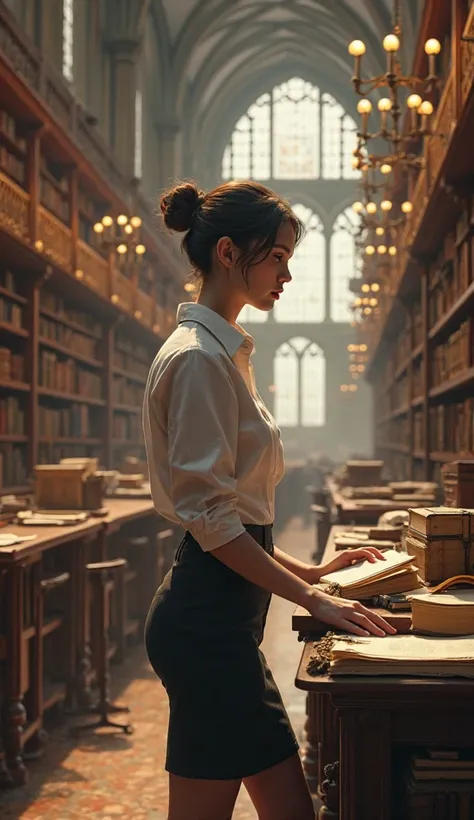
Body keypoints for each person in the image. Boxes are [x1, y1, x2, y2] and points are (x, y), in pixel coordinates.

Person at [143, 180, 396, 820]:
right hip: (209, 629)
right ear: (229, 253)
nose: (287, 273)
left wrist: (312, 571)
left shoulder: (222, 352)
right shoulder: (202, 359)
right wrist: (310, 597)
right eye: (278, 256)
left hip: (219, 623)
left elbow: (234, 520)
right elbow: (210, 519)